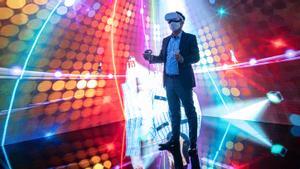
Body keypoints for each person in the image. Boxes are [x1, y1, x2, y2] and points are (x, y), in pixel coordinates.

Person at [143, 11, 201, 169]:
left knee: (190, 111)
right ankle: (174, 140)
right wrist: (151, 58)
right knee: (173, 112)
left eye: (174, 21)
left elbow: (196, 57)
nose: (171, 24)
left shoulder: (190, 38)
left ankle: (193, 144)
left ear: (181, 22)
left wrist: (183, 59)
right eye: (169, 22)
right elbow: (162, 57)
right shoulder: (166, 40)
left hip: (183, 81)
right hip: (169, 81)